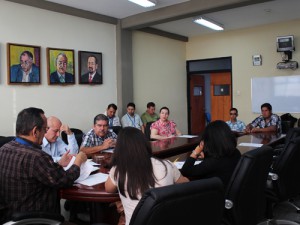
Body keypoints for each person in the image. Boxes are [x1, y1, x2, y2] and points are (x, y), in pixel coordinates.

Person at [0, 107, 87, 223]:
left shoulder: (3, 149)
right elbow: (64, 180)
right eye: (45, 129)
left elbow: (39, 173)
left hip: (9, 217)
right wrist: (78, 161)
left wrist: (59, 164)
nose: (46, 132)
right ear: (35, 131)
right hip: (36, 219)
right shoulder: (36, 156)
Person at [105, 127, 189, 225]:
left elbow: (108, 188)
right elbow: (186, 184)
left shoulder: (118, 169)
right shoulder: (166, 164)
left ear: (119, 148)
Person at [181, 120, 241, 187]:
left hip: (217, 195)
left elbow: (186, 171)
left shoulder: (212, 162)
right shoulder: (236, 152)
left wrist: (196, 152)